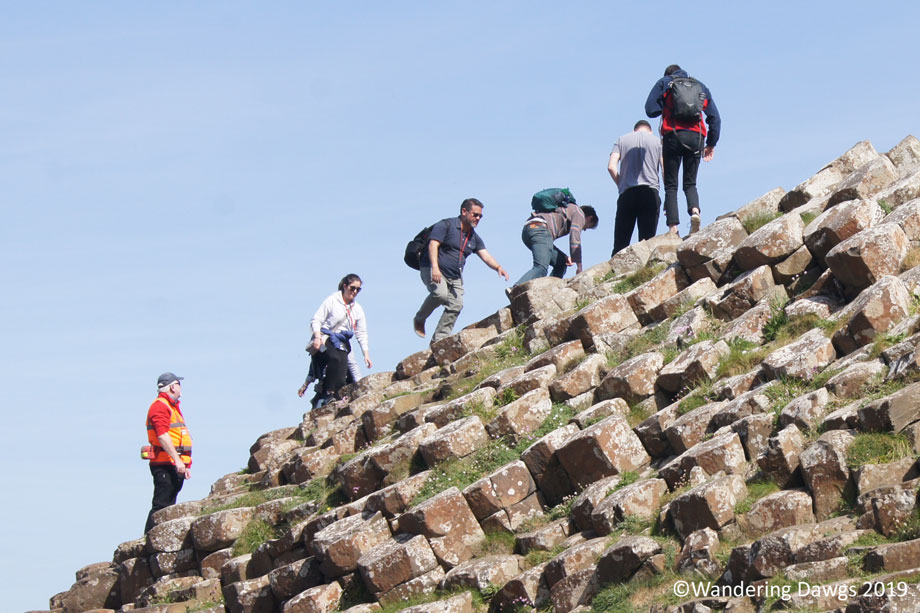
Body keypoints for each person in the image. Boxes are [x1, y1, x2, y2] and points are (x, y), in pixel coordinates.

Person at [413, 198, 509, 343]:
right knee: (440, 294)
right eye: (475, 214)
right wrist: (435, 268)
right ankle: (420, 319)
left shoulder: (473, 237)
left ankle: (439, 341)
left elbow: (485, 255)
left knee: (456, 305)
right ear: (464, 211)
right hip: (433, 268)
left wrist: (498, 267)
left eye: (480, 216)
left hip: (455, 275)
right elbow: (433, 245)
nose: (478, 218)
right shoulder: (446, 225)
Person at [645, 64, 721, 236]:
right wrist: (711, 143)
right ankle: (695, 212)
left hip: (672, 135)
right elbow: (715, 118)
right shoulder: (700, 86)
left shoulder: (665, 83)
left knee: (671, 185)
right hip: (696, 138)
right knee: (690, 182)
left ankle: (673, 228)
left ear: (668, 74)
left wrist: (664, 107)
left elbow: (650, 109)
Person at [306, 274, 372, 405]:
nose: (355, 292)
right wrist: (317, 338)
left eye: (358, 289)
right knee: (335, 358)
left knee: (348, 365)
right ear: (345, 286)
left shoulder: (357, 309)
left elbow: (361, 332)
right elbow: (316, 319)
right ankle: (329, 391)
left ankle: (341, 393)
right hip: (326, 337)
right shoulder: (332, 300)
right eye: (352, 288)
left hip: (342, 340)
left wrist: (366, 354)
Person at [514, 193, 598, 286]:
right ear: (589, 218)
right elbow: (575, 237)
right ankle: (516, 288)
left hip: (529, 230)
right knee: (541, 267)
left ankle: (548, 289)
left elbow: (546, 242)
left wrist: (564, 256)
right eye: (588, 226)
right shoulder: (579, 213)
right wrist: (579, 266)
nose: (585, 229)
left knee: (561, 263)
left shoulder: (566, 209)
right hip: (540, 229)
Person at [144, 372, 192, 533]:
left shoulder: (172, 407)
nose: (180, 388)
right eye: (178, 384)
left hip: (173, 463)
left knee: (168, 504)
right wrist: (177, 460)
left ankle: (158, 537)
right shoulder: (160, 406)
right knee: (161, 505)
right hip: (165, 464)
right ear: (172, 387)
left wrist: (184, 464)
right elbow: (163, 435)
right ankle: (149, 540)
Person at [608, 120, 663, 255]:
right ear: (650, 131)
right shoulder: (658, 141)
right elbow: (665, 171)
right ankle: (644, 272)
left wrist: (621, 183)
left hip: (627, 193)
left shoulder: (622, 140)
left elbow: (611, 166)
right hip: (650, 193)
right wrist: (669, 196)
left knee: (621, 243)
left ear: (634, 130)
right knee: (646, 241)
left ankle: (614, 272)